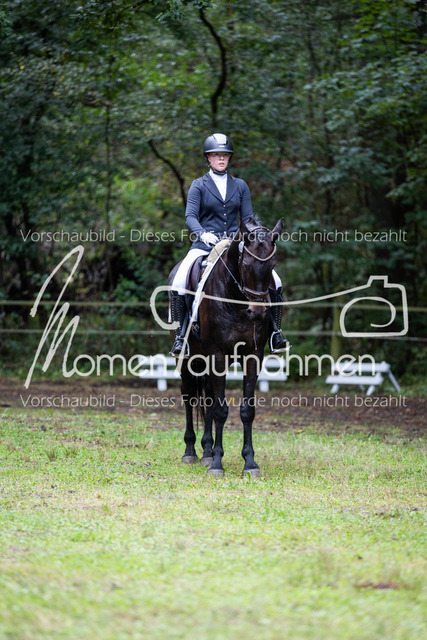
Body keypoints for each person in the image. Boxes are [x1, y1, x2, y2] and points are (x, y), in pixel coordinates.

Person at [170, 132, 288, 357]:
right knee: (179, 280)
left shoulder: (240, 185)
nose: (221, 158)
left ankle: (276, 333)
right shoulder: (198, 185)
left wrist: (255, 236)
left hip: (235, 245)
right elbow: (190, 216)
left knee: (276, 281)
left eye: (224, 155)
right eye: (216, 155)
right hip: (205, 244)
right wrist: (202, 234)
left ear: (229, 158)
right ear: (208, 158)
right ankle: (180, 336)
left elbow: (248, 219)